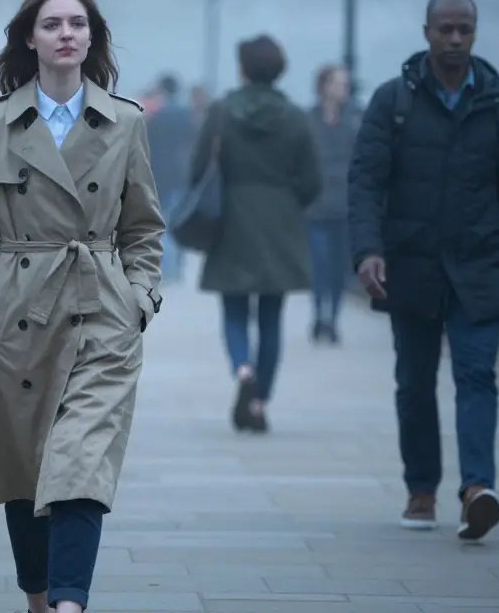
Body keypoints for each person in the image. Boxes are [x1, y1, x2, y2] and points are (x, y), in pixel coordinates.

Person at [0, 0, 164, 613]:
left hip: (101, 314)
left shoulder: (125, 122)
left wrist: (140, 296)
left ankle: (69, 603)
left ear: (91, 38)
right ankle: (38, 597)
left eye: (77, 23)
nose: (66, 34)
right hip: (14, 318)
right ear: (30, 39)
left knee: (81, 460)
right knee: (23, 467)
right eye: (52, 24)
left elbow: (143, 226)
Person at [347, 0, 499, 539]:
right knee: (414, 381)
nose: (455, 39)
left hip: (481, 264)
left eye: (465, 30)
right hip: (413, 264)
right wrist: (367, 250)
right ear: (426, 31)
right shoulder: (393, 101)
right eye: (446, 29)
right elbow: (365, 182)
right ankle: (421, 489)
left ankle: (477, 488)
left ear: (475, 33)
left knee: (477, 374)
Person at [189, 35, 321, 433]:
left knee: (233, 308)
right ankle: (261, 402)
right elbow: (313, 180)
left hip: (232, 218)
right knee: (271, 315)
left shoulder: (223, 112)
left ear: (243, 68)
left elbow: (199, 170)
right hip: (280, 222)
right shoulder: (296, 117)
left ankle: (243, 370)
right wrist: (287, 202)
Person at [306, 63, 360, 344]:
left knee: (339, 268)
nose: (343, 89)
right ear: (325, 86)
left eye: (345, 84)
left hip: (344, 207)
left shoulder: (354, 120)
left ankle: (333, 320)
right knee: (319, 264)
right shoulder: (309, 119)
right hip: (315, 206)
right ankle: (318, 315)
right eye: (339, 83)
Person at [146, 74, 196, 284]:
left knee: (161, 223)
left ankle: (167, 268)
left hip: (158, 174)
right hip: (181, 175)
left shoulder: (155, 116)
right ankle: (177, 268)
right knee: (178, 220)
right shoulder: (187, 115)